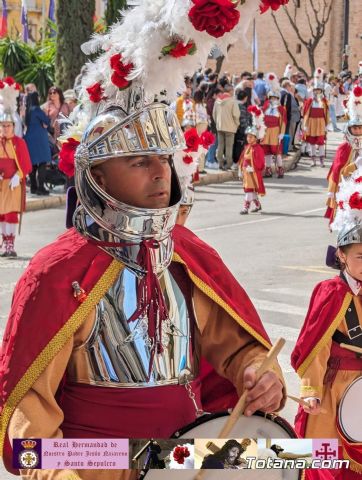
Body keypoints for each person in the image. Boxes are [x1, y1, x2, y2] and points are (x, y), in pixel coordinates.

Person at [0, 3, 286, 479]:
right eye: (138, 162)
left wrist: (260, 374)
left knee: (303, 460)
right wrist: (60, 473)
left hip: (187, 463)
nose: (160, 174)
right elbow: (27, 426)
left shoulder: (188, 256)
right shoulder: (56, 273)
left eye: (163, 158)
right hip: (96, 470)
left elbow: (239, 352)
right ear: (97, 177)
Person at [292, 168, 362, 479]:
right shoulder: (331, 292)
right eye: (360, 256)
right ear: (343, 257)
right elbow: (314, 346)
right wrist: (310, 390)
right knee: (327, 461)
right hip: (333, 390)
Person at [0, 79, 32, 257]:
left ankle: (10, 245)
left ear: (13, 126)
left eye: (8, 125)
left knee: (11, 214)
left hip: (13, 183)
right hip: (0, 184)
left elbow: (26, 165)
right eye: (3, 126)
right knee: (1, 215)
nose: (5, 128)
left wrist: (18, 175)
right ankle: (3, 242)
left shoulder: (19, 143)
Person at [325, 85, 362, 223]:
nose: (358, 131)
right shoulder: (344, 147)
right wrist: (354, 166)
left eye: (360, 128)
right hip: (348, 188)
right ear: (349, 129)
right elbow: (338, 170)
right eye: (355, 128)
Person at [238, 106, 266, 214]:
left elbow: (260, 162)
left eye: (251, 137)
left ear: (255, 138)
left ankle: (246, 208)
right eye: (248, 137)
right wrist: (241, 169)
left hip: (253, 173)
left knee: (249, 190)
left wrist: (253, 168)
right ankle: (258, 205)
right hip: (246, 172)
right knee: (250, 190)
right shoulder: (247, 147)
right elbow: (242, 159)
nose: (248, 138)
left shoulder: (258, 149)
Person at [24, 92, 52, 196]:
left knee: (33, 163)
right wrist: (46, 114)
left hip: (30, 138)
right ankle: (41, 188)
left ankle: (33, 187)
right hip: (39, 138)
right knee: (43, 162)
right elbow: (47, 121)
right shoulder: (36, 109)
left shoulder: (28, 111)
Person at [261, 73, 287, 178]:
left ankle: (280, 168)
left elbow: (283, 122)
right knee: (266, 151)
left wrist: (281, 133)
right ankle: (268, 169)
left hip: (275, 131)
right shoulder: (265, 107)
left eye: (275, 98)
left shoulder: (281, 109)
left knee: (277, 151)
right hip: (266, 131)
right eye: (271, 98)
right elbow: (261, 118)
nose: (273, 100)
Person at [302, 68, 329, 167]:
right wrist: (305, 125)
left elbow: (327, 114)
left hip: (321, 123)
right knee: (312, 142)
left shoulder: (324, 101)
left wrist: (327, 124)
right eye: (316, 90)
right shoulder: (309, 101)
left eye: (319, 90)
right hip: (311, 122)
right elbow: (305, 113)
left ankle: (322, 161)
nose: (317, 92)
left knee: (321, 142)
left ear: (321, 91)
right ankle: (313, 161)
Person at [213, 84, 240, 170]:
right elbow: (236, 115)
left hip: (220, 126)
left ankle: (220, 163)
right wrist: (236, 124)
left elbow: (214, 114)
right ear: (231, 91)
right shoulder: (232, 101)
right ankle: (228, 164)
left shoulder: (217, 101)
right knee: (229, 146)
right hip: (230, 127)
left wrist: (217, 123)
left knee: (220, 145)